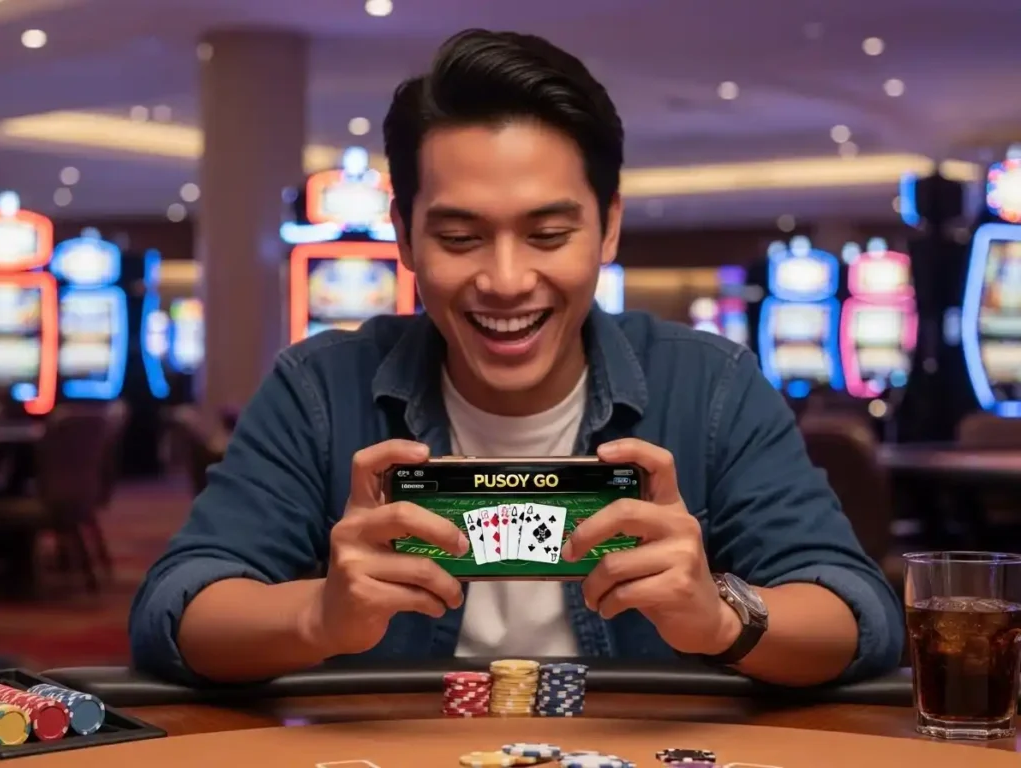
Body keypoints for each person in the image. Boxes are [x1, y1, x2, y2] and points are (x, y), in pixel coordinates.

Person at [129, 28, 904, 687]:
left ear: (607, 230)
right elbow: (179, 607)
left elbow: (857, 612)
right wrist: (317, 615)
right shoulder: (322, 386)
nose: (504, 282)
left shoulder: (709, 385)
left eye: (547, 235)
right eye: (460, 238)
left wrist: (719, 616)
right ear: (404, 236)